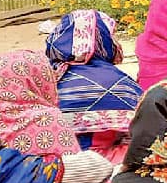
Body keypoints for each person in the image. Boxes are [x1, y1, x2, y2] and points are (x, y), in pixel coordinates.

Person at [46, 9, 142, 154]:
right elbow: (142, 134)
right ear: (103, 40)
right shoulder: (121, 84)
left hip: (58, 165)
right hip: (110, 167)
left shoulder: (46, 79)